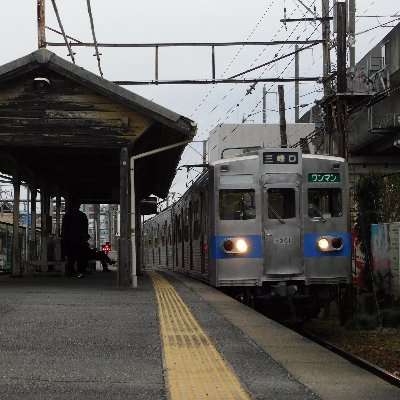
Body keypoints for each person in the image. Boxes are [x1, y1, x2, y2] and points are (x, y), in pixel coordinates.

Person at [61, 197, 89, 278]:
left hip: (69, 240)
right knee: (80, 257)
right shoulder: (82, 216)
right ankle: (80, 272)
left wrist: (64, 239)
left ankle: (71, 272)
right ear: (79, 206)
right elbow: (85, 229)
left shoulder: (67, 216)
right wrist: (84, 237)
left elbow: (64, 229)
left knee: (71, 258)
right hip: (79, 240)